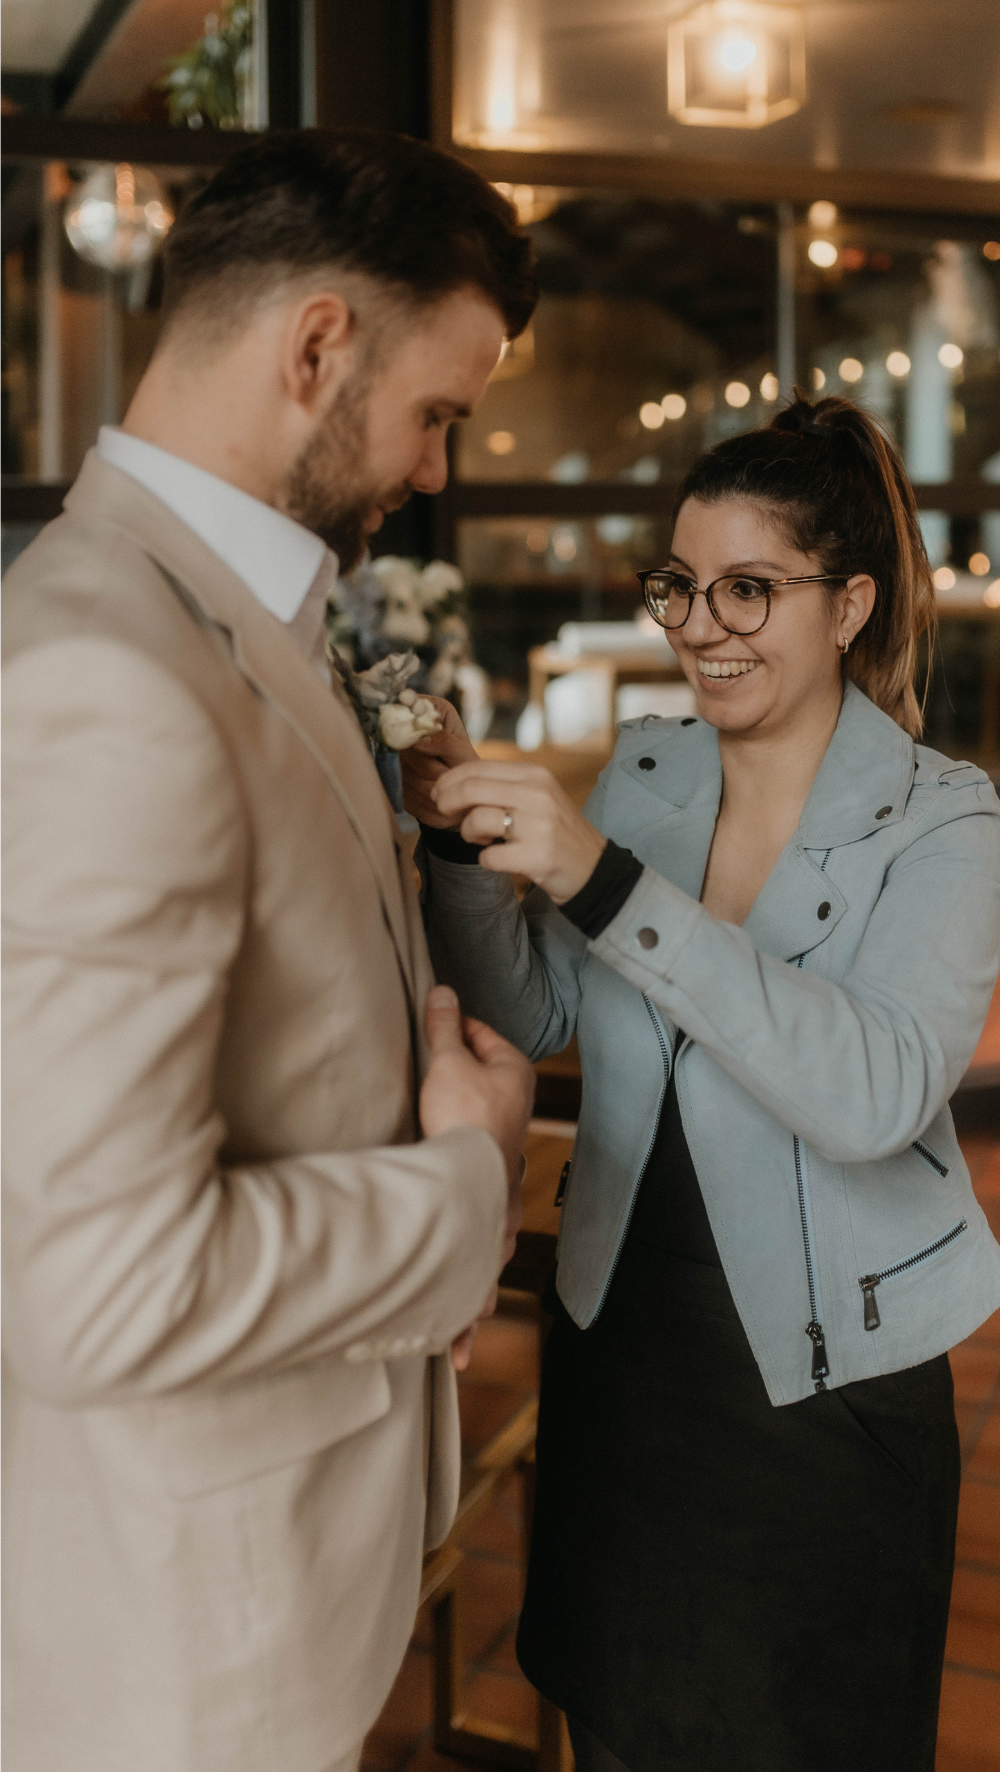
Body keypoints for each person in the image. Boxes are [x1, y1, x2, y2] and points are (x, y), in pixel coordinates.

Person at [2, 130, 538, 1772]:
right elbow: (91, 1288)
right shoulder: (106, 680)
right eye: (437, 410)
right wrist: (462, 1189)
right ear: (316, 347)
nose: (439, 468)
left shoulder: (228, 618)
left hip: (284, 1562)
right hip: (186, 1659)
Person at [403, 395, 1000, 1772]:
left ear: (850, 603)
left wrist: (604, 883)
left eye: (750, 588)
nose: (701, 624)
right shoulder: (656, 770)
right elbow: (548, 1003)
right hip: (625, 1342)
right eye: (680, 586)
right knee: (617, 1727)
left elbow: (876, 1088)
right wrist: (454, 850)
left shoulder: (943, 818)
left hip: (823, 1394)